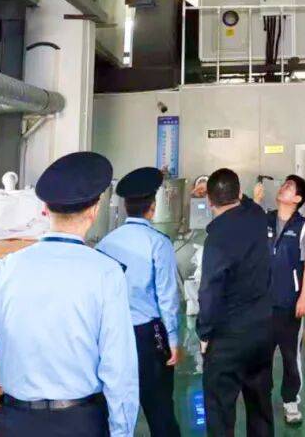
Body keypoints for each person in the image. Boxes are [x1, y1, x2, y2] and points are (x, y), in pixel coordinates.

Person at [0, 152, 139, 437]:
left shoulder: (5, 269)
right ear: (95, 210)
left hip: (15, 422)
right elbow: (119, 371)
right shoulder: (107, 274)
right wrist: (122, 432)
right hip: (80, 423)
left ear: (45, 209)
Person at [96, 167, 182, 437]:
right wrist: (173, 339)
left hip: (113, 335)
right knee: (160, 408)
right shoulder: (158, 243)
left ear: (125, 206)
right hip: (149, 335)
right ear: (153, 208)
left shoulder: (105, 244)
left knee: (116, 407)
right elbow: (167, 296)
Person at [198, 168, 274, 437]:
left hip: (228, 337)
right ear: (240, 193)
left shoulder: (216, 239)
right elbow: (248, 203)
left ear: (209, 201)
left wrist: (204, 333)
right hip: (262, 331)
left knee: (220, 411)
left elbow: (210, 291)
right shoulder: (257, 217)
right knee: (260, 405)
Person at [265, 174, 305, 424]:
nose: (283, 187)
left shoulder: (303, 225)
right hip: (262, 303)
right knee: (260, 354)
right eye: (284, 184)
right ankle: (261, 397)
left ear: (297, 199)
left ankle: (290, 401)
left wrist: (304, 295)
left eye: (289, 186)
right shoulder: (264, 219)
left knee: (290, 356)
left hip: (289, 301)